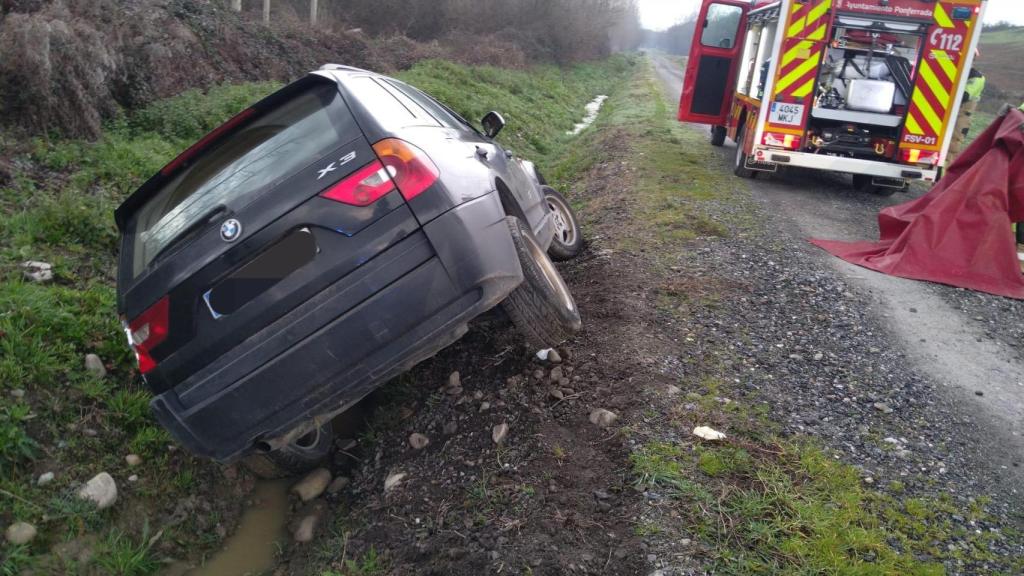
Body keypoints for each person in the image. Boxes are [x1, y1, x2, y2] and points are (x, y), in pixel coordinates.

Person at [948, 64, 986, 166]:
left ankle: (943, 177)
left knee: (952, 147)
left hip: (961, 116)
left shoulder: (977, 77)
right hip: (950, 114)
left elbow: (965, 95)